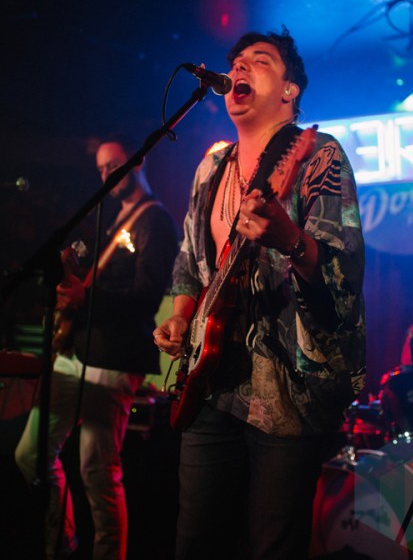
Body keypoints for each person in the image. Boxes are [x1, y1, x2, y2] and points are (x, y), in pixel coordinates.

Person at [153, 29, 366, 560]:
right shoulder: (211, 167)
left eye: (260, 60)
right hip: (209, 380)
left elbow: (343, 271)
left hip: (287, 388)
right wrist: (182, 316)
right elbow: (189, 260)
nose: (239, 67)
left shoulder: (318, 154)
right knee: (195, 540)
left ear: (290, 90)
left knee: (273, 544)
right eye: (235, 61)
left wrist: (289, 239)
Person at [15, 133, 179, 560]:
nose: (108, 174)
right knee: (31, 453)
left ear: (137, 162)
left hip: (115, 357)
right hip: (77, 350)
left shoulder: (155, 221)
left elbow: (148, 296)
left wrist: (85, 296)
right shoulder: (111, 219)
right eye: (102, 169)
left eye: (115, 165)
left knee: (97, 471)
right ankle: (60, 544)